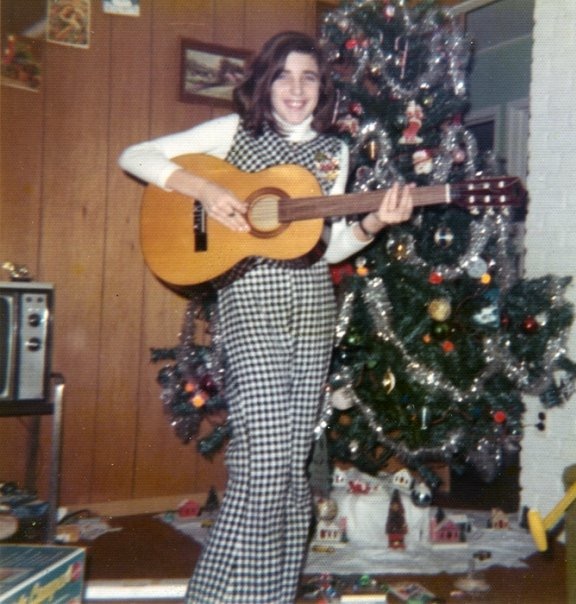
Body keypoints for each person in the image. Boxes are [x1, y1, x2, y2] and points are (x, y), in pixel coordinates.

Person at [119, 30, 413, 604]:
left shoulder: (336, 153)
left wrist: (375, 223)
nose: (297, 89)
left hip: (309, 311)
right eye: (284, 75)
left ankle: (242, 595)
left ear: (322, 87)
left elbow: (321, 248)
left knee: (283, 472)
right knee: (267, 468)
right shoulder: (233, 134)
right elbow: (135, 155)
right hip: (249, 305)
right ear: (265, 82)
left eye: (309, 77)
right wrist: (202, 188)